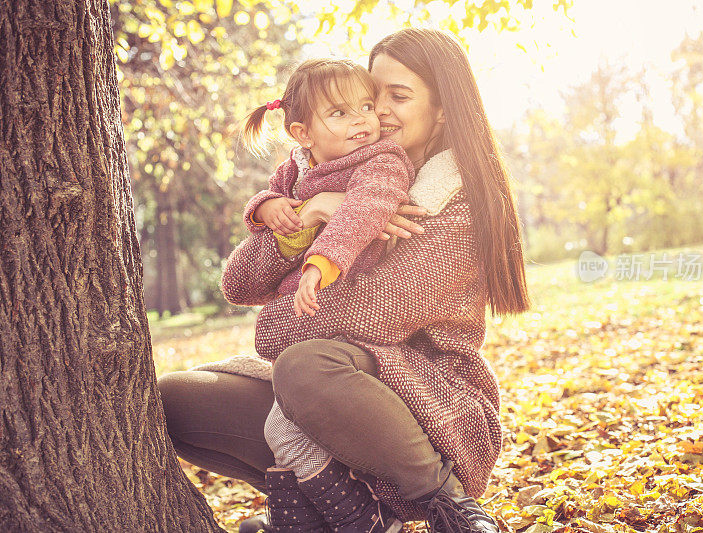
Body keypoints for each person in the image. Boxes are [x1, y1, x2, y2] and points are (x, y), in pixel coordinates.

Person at [157, 28, 530, 533]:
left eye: (398, 97)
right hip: (327, 383)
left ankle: (450, 507)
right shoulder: (329, 172)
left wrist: (281, 319)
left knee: (305, 365)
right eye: (373, 96)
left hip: (429, 406)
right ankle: (328, 508)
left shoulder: (453, 203)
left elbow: (367, 315)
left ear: (443, 110)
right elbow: (239, 284)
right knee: (171, 400)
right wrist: (307, 218)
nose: (376, 113)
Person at [237, 58, 415, 318]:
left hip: (340, 290)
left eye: (366, 106)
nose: (360, 120)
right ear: (304, 134)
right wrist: (265, 207)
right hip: (293, 298)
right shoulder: (293, 169)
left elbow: (360, 213)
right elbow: (271, 201)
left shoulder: (381, 162)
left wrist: (319, 265)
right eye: (340, 113)